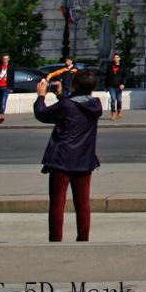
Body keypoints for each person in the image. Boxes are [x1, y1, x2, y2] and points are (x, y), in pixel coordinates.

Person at [35, 70, 102, 242]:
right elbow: (75, 104)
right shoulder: (95, 105)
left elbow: (42, 113)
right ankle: (83, 238)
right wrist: (61, 95)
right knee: (83, 203)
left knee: (57, 203)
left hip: (61, 159)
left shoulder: (66, 106)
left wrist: (41, 96)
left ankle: (56, 239)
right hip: (84, 159)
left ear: (74, 85)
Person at [103, 54, 127, 121]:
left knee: (119, 100)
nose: (116, 59)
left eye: (117, 57)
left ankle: (119, 110)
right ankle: (113, 113)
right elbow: (107, 77)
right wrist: (106, 86)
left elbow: (124, 76)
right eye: (114, 57)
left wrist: (123, 84)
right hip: (111, 86)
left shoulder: (122, 67)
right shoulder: (110, 66)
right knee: (113, 99)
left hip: (119, 86)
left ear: (119, 58)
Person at [0, 55, 13, 123]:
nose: (5, 60)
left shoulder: (10, 67)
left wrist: (12, 87)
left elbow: (12, 78)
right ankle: (0, 116)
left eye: (6, 59)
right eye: (4, 59)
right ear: (2, 59)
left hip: (6, 87)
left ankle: (2, 115)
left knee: (3, 102)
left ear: (8, 59)